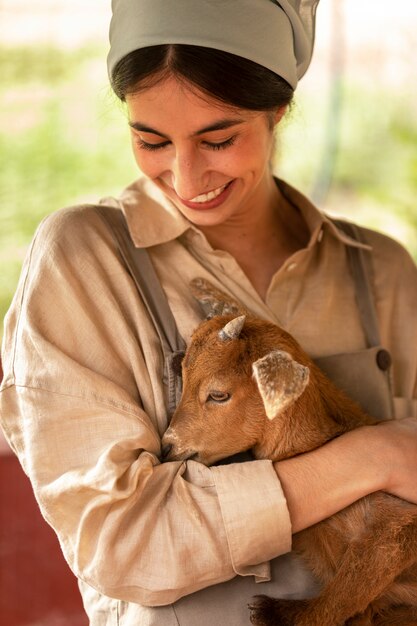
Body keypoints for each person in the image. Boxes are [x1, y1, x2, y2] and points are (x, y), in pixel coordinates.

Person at [1, 1, 417, 624]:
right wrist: (373, 457)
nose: (186, 174)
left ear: (278, 109)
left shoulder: (380, 271)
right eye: (150, 140)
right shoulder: (85, 261)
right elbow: (122, 544)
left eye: (218, 139)